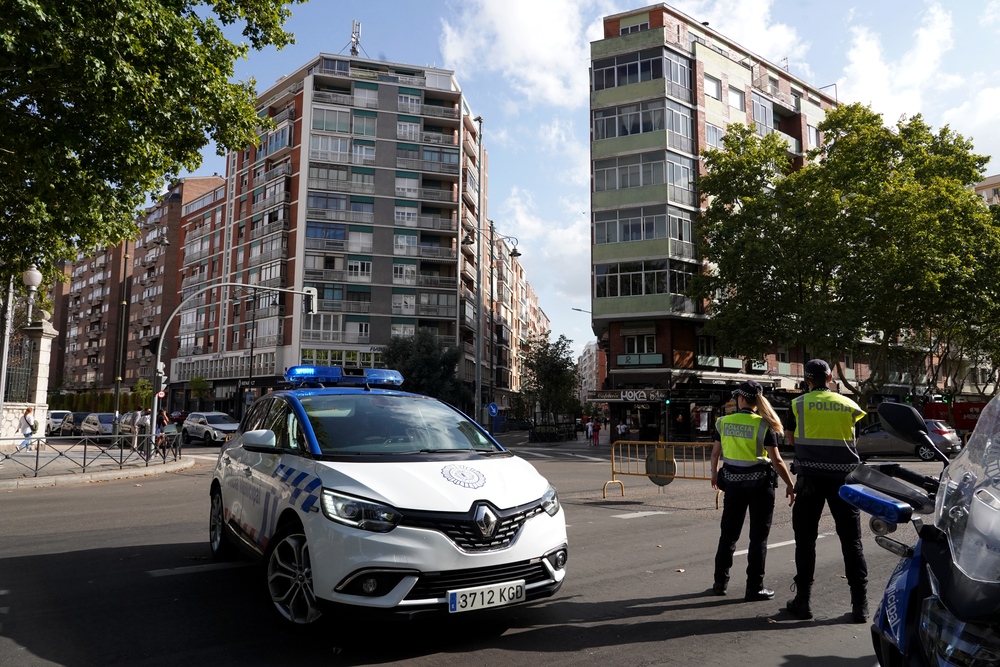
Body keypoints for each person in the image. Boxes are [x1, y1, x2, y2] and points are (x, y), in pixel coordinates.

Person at [784, 359, 868, 622]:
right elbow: (856, 440)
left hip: (809, 479)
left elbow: (790, 437)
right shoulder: (850, 405)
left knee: (805, 540)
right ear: (831, 378)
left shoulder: (798, 404)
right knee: (851, 541)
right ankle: (860, 605)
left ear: (807, 380)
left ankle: (803, 601)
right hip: (843, 480)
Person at [710, 381, 795, 600]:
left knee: (728, 534)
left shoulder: (723, 422)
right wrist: (790, 484)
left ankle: (720, 583)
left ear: (740, 399)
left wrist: (714, 474)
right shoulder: (764, 425)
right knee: (758, 537)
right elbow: (776, 460)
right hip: (760, 485)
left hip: (733, 484)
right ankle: (754, 587)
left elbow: (715, 454)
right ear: (757, 401)